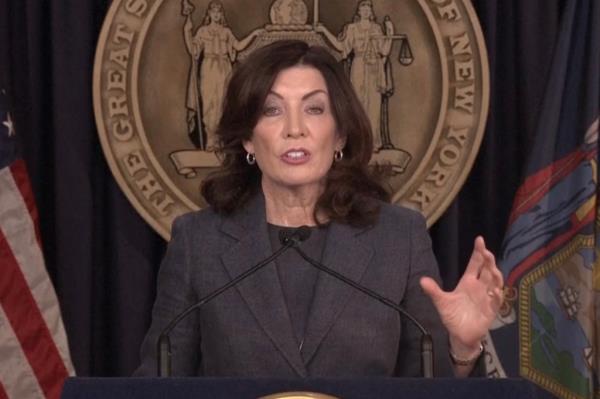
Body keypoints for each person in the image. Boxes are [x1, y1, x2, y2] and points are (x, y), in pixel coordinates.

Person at [136, 40, 503, 377]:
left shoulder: (399, 238)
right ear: (248, 137)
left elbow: (427, 388)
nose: (295, 129)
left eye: (313, 108)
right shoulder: (199, 242)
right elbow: (157, 385)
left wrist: (461, 347)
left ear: (340, 133)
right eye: (272, 110)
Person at [183, 0, 263, 150]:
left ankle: (220, 141)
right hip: (209, 68)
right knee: (208, 104)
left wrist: (253, 34)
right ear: (209, 14)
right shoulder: (202, 31)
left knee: (222, 105)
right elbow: (194, 51)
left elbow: (238, 46)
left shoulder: (226, 32)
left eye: (219, 12)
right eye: (214, 12)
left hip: (225, 69)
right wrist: (187, 31)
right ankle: (210, 140)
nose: (216, 15)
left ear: (221, 14)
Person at [315, 0, 394, 151]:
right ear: (358, 11)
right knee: (358, 104)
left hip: (374, 69)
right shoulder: (352, 29)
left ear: (371, 12)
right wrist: (324, 30)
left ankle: (374, 143)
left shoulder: (377, 29)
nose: (365, 10)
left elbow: (384, 51)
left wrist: (389, 34)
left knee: (374, 106)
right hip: (358, 66)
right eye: (362, 7)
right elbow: (341, 47)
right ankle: (357, 143)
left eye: (368, 7)